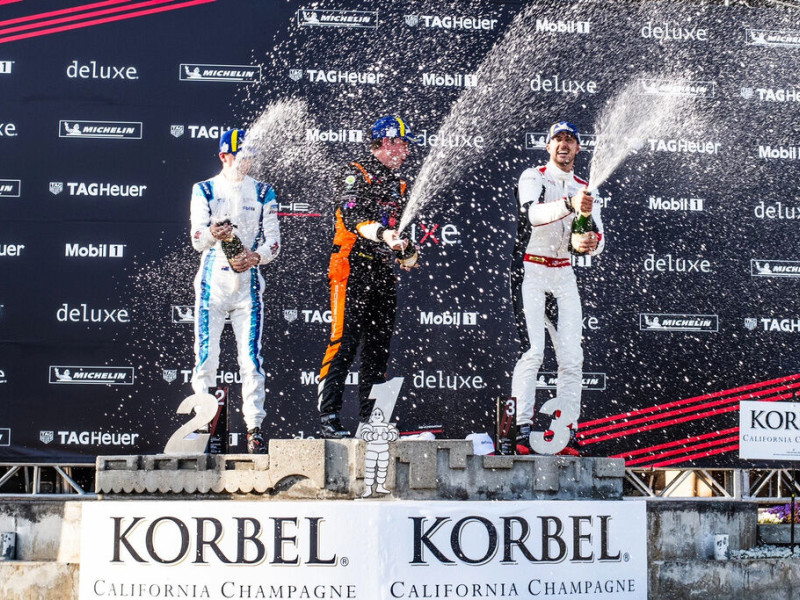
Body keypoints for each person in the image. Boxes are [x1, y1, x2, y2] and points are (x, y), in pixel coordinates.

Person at [317, 115, 420, 439]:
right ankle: (329, 415)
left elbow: (403, 244)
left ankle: (370, 420)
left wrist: (406, 251)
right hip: (351, 265)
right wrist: (386, 234)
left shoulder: (399, 185)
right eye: (403, 144)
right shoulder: (354, 172)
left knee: (378, 348)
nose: (406, 151)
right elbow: (352, 218)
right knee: (343, 342)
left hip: (381, 270)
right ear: (388, 142)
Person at [509, 121, 604, 456]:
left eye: (570, 140)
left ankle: (566, 431)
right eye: (558, 140)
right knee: (533, 353)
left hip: (564, 275)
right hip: (530, 270)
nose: (564, 145)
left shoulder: (586, 187)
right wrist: (570, 204)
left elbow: (596, 239)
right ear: (547, 146)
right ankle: (520, 429)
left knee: (572, 359)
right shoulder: (533, 176)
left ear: (578, 148)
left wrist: (589, 241)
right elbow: (531, 215)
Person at [189, 128, 280, 454]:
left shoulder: (265, 192)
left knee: (250, 361)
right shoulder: (205, 189)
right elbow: (197, 239)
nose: (248, 162)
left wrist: (258, 256)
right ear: (224, 156)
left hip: (248, 289)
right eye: (242, 156)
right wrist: (214, 232)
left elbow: (274, 241)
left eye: (251, 156)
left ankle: (254, 429)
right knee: (206, 357)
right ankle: (201, 424)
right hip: (212, 288)